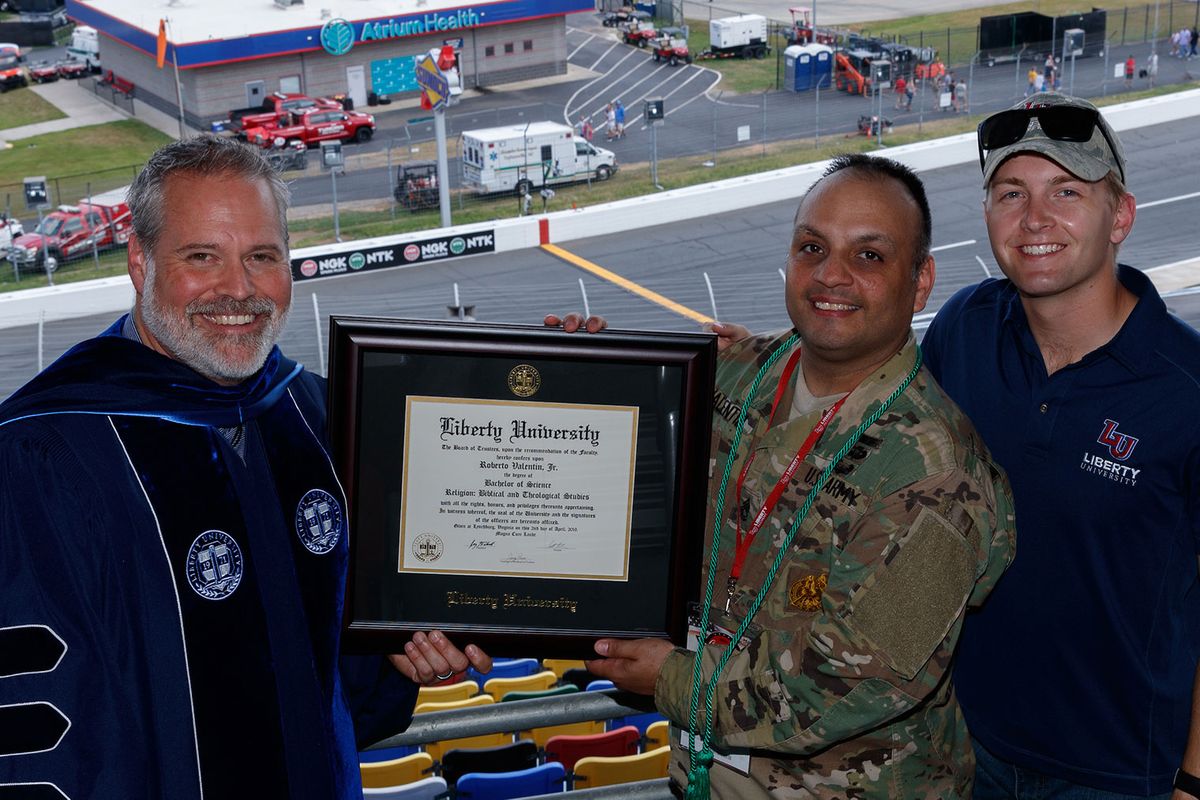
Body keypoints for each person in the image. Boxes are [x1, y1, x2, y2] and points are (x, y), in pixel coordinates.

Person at [0, 135, 490, 798]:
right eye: (202, 256)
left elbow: (335, 678)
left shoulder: (321, 419)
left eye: (262, 256)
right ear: (140, 263)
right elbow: (40, 729)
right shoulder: (40, 455)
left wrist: (408, 655)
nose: (238, 287)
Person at [555, 154, 1016, 798]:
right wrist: (563, 377)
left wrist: (667, 676)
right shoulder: (733, 375)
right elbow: (607, 474)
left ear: (920, 282)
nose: (831, 275)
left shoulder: (942, 480)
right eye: (812, 247)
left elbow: (850, 686)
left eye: (870, 256)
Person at [922, 93, 1200, 799]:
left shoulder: (1187, 389)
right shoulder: (965, 327)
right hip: (962, 743)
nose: (1035, 219)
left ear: (1121, 217)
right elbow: (863, 403)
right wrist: (736, 360)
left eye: (1066, 191)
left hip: (1117, 774)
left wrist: (1195, 782)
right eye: (1010, 193)